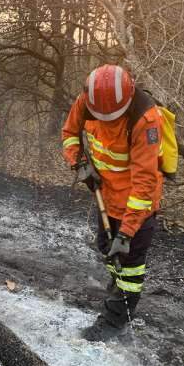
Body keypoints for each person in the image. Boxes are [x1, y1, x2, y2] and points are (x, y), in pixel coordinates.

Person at [61, 64, 163, 341]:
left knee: (129, 264)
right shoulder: (87, 102)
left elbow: (144, 183)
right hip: (105, 196)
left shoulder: (146, 120)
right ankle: (119, 289)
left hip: (137, 207)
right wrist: (79, 163)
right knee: (107, 248)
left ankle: (114, 323)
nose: (106, 121)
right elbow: (70, 134)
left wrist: (128, 232)